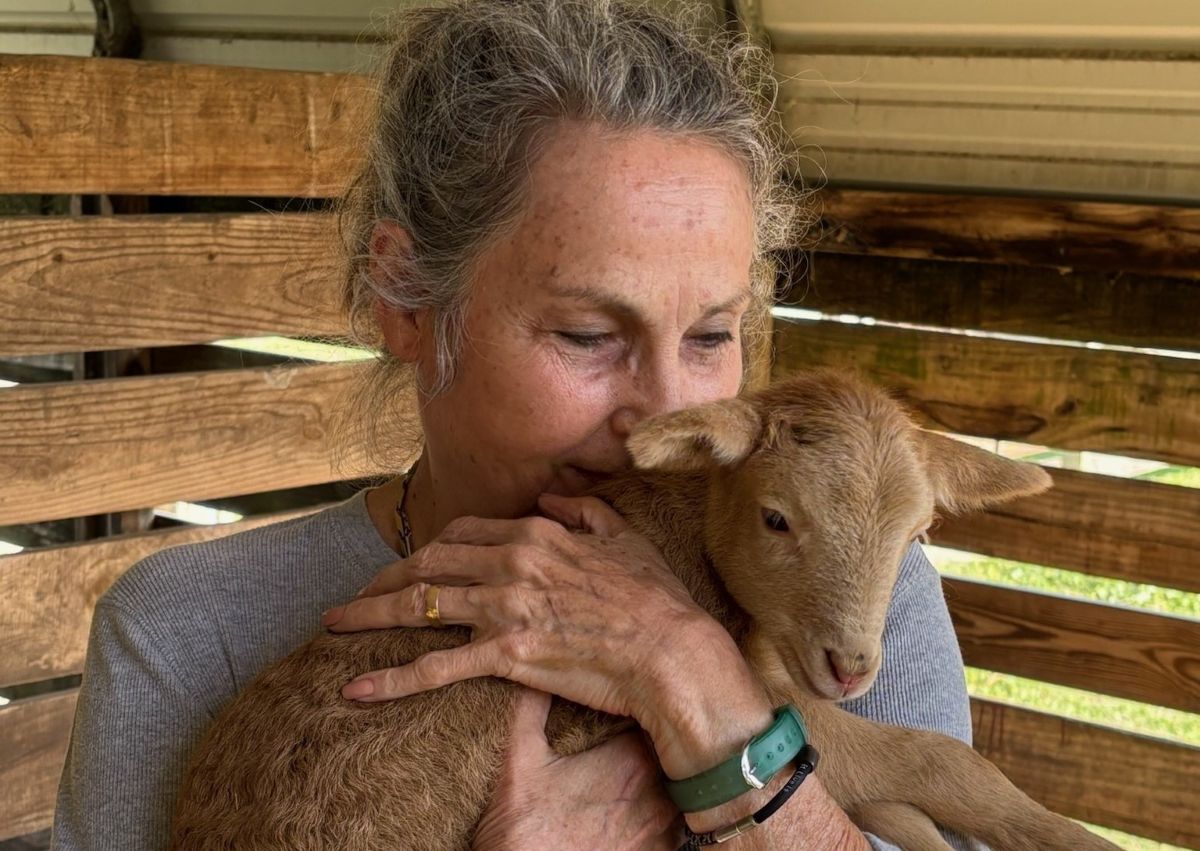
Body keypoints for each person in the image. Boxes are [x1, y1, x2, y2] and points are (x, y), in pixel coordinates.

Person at [52, 1, 975, 848]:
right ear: (408, 301)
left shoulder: (839, 595)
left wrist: (694, 677)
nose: (667, 414)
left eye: (709, 335)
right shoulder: (190, 628)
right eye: (587, 334)